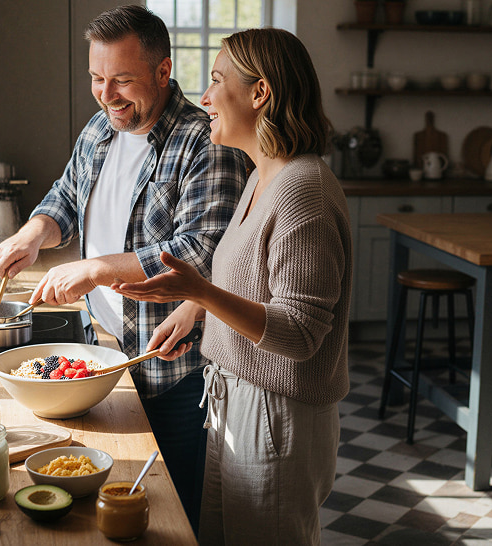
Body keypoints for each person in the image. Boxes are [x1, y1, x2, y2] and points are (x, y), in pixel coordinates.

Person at [0, 5, 247, 532]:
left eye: (122, 81)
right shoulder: (101, 127)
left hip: (172, 370)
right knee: (110, 514)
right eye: (96, 78)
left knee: (175, 520)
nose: (106, 95)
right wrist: (33, 233)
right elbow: (68, 194)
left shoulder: (205, 142)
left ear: (162, 71)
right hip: (104, 351)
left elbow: (204, 250)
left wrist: (98, 268)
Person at [112, 28, 351, 545]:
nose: (204, 97)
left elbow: (299, 333)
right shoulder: (261, 177)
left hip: (277, 415)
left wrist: (200, 293)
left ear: (260, 93)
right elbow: (251, 279)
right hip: (235, 398)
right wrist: (195, 311)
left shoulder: (302, 191)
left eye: (218, 80)